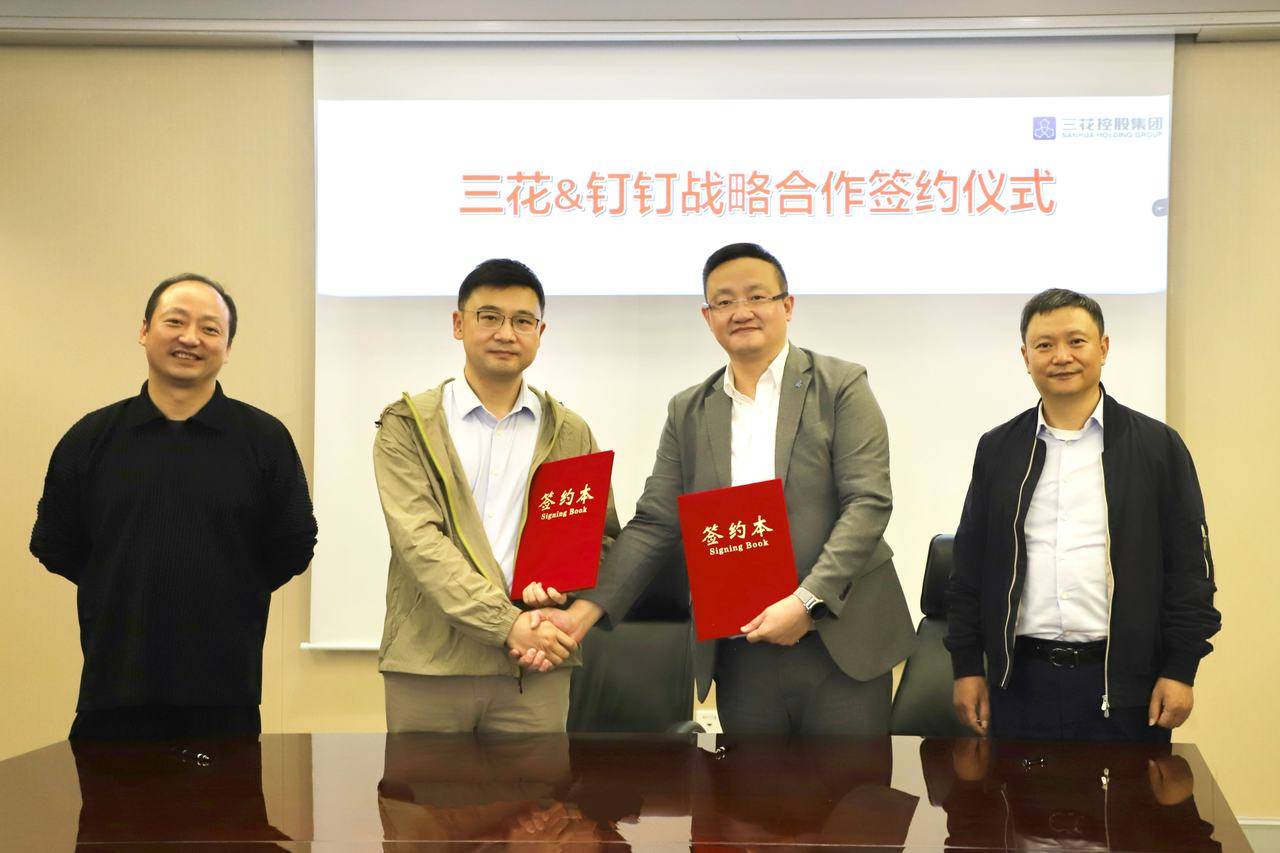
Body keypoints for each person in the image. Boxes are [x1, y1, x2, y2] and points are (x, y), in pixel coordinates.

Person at [524, 243, 914, 735]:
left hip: (840, 639)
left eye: (757, 296)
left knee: (850, 783)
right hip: (741, 648)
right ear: (708, 317)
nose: (742, 311)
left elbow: (867, 502)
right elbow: (655, 524)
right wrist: (581, 614)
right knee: (748, 783)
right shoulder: (688, 410)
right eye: (725, 301)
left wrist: (807, 601)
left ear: (787, 305)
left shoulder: (841, 385)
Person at [30, 273, 318, 739]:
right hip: (113, 690)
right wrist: (119, 580)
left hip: (226, 695)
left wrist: (227, 586)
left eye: (210, 328)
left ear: (228, 346)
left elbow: (294, 544)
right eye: (175, 321)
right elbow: (54, 543)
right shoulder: (91, 437)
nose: (191, 338)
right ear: (144, 330)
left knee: (229, 791)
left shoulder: (264, 440)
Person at [946, 288, 1221, 741]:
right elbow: (968, 568)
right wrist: (967, 667)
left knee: (1129, 792)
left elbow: (1190, 571)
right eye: (1044, 345)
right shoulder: (998, 449)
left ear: (1103, 348)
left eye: (1076, 341)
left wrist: (1180, 669)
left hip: (1125, 687)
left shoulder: (1158, 447)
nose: (1061, 357)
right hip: (1019, 684)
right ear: (1026, 356)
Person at [373, 258, 617, 734]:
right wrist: (508, 625)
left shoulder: (569, 430)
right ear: (458, 324)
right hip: (430, 665)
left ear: (540, 332)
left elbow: (601, 541)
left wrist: (562, 590)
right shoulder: (409, 424)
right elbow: (420, 543)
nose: (507, 333)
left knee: (538, 786)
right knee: (423, 787)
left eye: (523, 321)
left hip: (536, 667)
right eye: (490, 317)